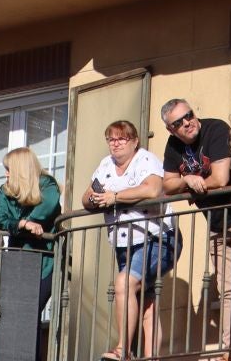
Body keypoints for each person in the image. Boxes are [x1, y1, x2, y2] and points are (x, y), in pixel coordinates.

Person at [160, 97, 231, 360]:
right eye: (179, 122)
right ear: (172, 129)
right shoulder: (174, 145)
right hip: (216, 224)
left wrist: (191, 183)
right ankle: (230, 349)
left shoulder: (215, 130)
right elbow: (166, 185)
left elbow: (220, 178)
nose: (188, 123)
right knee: (227, 290)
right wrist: (187, 180)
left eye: (189, 115)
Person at [86, 119, 173, 361]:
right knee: (144, 300)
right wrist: (94, 198)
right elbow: (86, 197)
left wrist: (115, 197)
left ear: (134, 141)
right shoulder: (105, 165)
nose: (116, 144)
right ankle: (151, 356)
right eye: (111, 139)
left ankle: (123, 350)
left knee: (125, 284)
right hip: (124, 241)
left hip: (156, 236)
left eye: (122, 138)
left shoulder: (146, 159)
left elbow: (152, 189)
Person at [0, 147, 62, 332]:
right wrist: (21, 224)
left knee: (30, 312)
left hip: (44, 260)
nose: (5, 174)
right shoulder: (5, 190)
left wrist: (25, 223)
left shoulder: (47, 184)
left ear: (21, 170)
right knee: (15, 315)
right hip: (17, 260)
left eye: (9, 169)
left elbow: (43, 213)